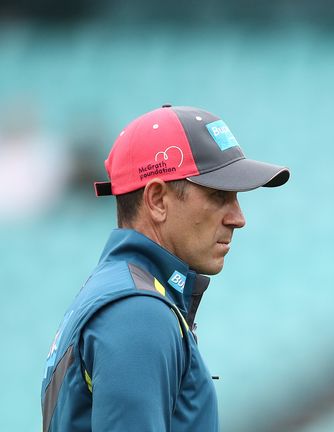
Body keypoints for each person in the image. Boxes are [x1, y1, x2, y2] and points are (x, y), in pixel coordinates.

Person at [41, 105, 290, 431]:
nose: (238, 218)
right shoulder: (137, 312)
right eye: (218, 195)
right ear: (157, 200)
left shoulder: (122, 294)